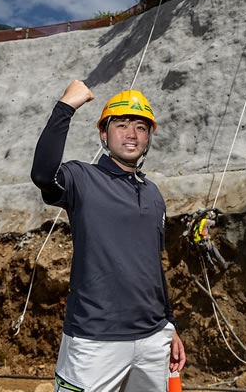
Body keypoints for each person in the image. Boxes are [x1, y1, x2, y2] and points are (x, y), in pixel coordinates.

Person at [31, 80, 186, 392]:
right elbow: (43, 175)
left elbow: (153, 267)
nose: (132, 134)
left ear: (149, 137)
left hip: (153, 338)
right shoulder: (82, 179)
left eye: (141, 127)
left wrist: (169, 325)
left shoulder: (153, 193)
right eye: (121, 125)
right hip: (94, 340)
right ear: (104, 133)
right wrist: (66, 107)